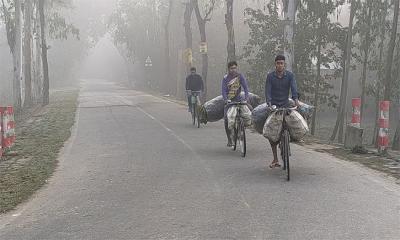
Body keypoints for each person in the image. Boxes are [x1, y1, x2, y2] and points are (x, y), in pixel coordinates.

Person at [265, 55, 300, 168]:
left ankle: (288, 139)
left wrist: (296, 100)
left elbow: (294, 88)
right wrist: (269, 104)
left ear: (284, 65)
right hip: (274, 105)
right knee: (272, 133)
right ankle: (275, 159)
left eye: (282, 63)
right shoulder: (270, 76)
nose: (280, 65)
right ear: (275, 64)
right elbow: (268, 91)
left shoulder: (290, 75)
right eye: (278, 63)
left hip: (285, 104)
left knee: (293, 123)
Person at [221, 61, 249, 147]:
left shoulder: (240, 77)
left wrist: (246, 98)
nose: (233, 70)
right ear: (228, 69)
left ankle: (241, 130)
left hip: (239, 100)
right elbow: (224, 91)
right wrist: (226, 100)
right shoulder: (225, 78)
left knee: (246, 115)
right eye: (231, 68)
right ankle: (229, 139)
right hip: (229, 101)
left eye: (235, 68)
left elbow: (246, 88)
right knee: (227, 119)